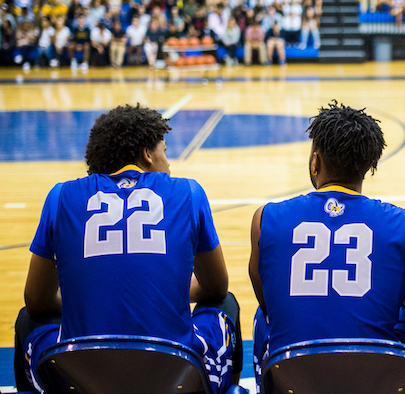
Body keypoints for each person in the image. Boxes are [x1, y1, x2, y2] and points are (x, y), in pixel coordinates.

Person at [14, 105, 242, 394]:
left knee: (28, 319)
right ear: (147, 154)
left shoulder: (60, 196)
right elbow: (216, 287)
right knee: (225, 304)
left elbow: (36, 300)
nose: (168, 164)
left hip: (82, 375)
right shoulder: (188, 191)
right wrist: (159, 294)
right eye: (165, 151)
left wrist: (90, 300)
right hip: (176, 375)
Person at [249, 101, 405, 388]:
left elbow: (267, 300)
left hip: (295, 375)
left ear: (315, 161)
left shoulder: (265, 218)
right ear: (370, 166)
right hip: (374, 379)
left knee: (262, 317)